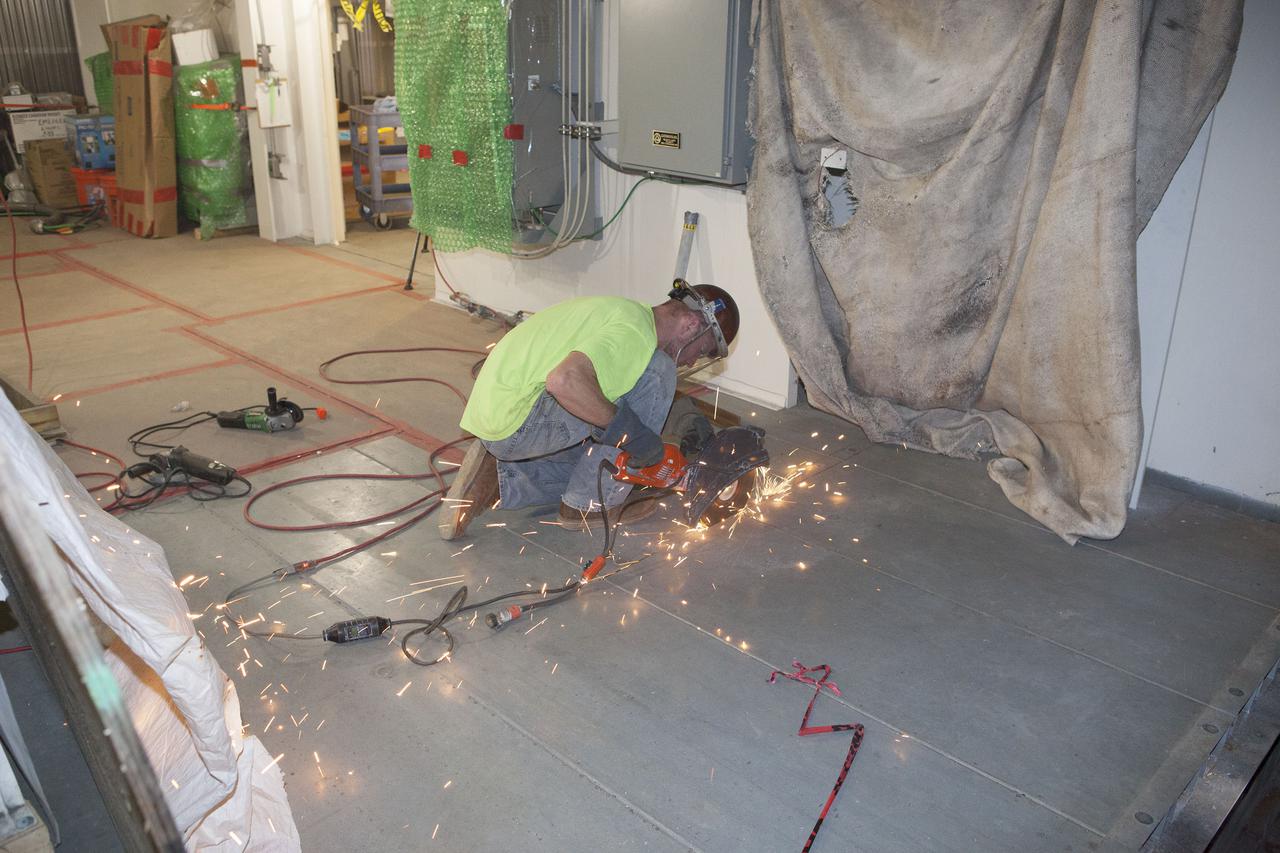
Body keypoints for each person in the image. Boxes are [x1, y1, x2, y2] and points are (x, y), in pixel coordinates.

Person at [438, 281, 739, 540]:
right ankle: (591, 503)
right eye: (700, 352)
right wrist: (629, 432)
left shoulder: (626, 311)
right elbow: (564, 380)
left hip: (498, 411)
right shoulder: (636, 336)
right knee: (658, 372)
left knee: (597, 460)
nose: (690, 362)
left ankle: (501, 480)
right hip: (517, 421)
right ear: (691, 326)